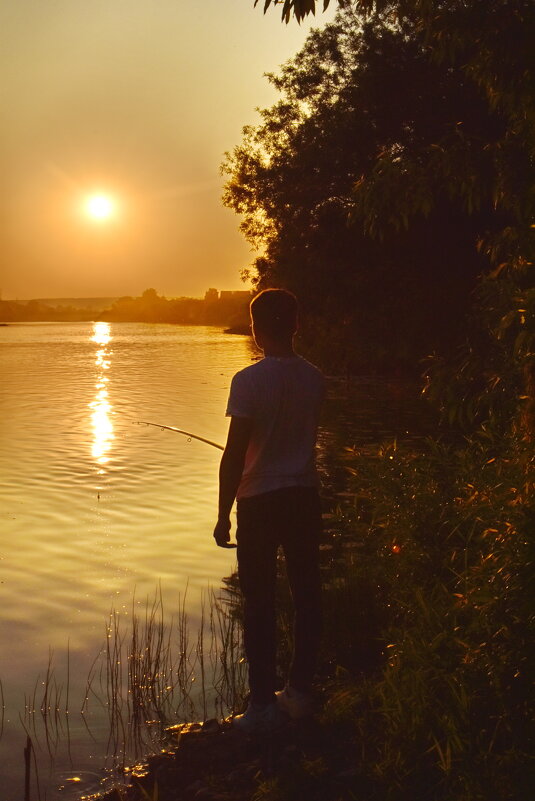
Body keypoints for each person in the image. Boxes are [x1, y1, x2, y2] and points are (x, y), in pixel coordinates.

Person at [213, 288, 325, 734]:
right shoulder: (316, 378)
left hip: (258, 501)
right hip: (303, 495)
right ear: (296, 325)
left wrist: (223, 513)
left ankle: (262, 705)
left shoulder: (247, 381)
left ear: (257, 329)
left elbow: (235, 452)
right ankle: (299, 692)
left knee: (258, 601)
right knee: (307, 595)